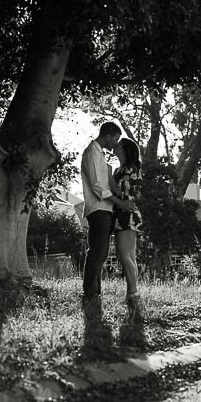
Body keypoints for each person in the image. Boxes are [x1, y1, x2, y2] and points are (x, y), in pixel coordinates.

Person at [80, 121, 125, 300]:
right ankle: (90, 291)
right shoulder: (92, 153)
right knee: (97, 251)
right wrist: (119, 203)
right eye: (116, 139)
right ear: (108, 136)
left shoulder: (99, 154)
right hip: (98, 208)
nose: (116, 143)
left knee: (102, 251)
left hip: (104, 208)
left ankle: (95, 290)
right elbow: (98, 186)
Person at [110, 137, 145, 322]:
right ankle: (132, 293)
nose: (115, 147)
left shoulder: (129, 168)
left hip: (127, 213)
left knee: (124, 255)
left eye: (118, 145)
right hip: (123, 213)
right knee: (129, 256)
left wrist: (107, 174)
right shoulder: (121, 169)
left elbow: (120, 192)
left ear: (124, 149)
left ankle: (133, 293)